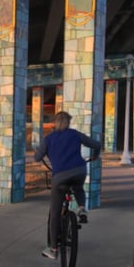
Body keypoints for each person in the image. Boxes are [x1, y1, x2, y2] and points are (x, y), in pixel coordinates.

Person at [34, 111, 102, 259]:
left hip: (60, 177)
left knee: (55, 212)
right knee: (78, 187)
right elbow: (97, 144)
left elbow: (37, 158)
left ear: (54, 123)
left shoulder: (48, 139)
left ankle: (53, 249)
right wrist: (95, 155)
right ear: (68, 123)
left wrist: (38, 153)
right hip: (79, 171)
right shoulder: (75, 134)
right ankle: (82, 209)